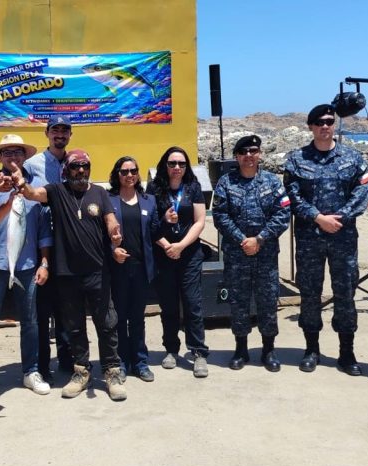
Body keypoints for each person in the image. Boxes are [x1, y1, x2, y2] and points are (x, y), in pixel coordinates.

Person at [13, 149, 127, 401]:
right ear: (67, 170)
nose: (80, 171)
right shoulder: (56, 191)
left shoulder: (99, 192)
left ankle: (111, 371)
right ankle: (81, 371)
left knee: (107, 323)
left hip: (98, 270)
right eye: (75, 166)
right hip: (66, 273)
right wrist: (21, 182)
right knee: (74, 327)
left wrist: (114, 233)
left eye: (85, 166)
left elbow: (109, 218)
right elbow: (33, 193)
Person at [283, 103, 368, 376]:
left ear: (335, 125)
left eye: (329, 121)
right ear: (310, 126)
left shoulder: (352, 158)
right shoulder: (297, 160)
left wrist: (340, 217)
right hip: (310, 238)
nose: (325, 126)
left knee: (345, 294)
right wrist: (318, 217)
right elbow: (291, 196)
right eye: (319, 122)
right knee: (310, 295)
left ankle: (347, 352)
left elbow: (362, 191)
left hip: (343, 238)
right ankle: (311, 349)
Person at [0, 134, 53, 404]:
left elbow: (44, 229)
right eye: (7, 153)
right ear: (0, 158)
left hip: (29, 265)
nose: (13, 157)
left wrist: (44, 262)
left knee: (30, 322)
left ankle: (30, 371)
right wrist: (7, 200)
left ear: (24, 156)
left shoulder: (37, 186)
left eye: (17, 152)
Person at [212, 135, 290, 372]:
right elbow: (220, 215)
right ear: (236, 156)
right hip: (237, 255)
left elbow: (283, 214)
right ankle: (241, 349)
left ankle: (268, 350)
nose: (248, 155)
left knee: (267, 301)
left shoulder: (272, 182)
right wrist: (242, 240)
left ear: (260, 154)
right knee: (239, 302)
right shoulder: (226, 182)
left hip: (265, 254)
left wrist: (260, 239)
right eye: (243, 151)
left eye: (253, 151)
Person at [148, 146, 211, 378]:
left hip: (189, 255)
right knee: (169, 305)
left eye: (181, 164)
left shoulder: (193, 188)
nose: (177, 168)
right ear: (165, 164)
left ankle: (198, 352)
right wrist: (167, 245)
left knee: (193, 303)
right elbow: (151, 222)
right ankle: (171, 350)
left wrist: (181, 246)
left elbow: (200, 221)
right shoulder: (155, 188)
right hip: (163, 255)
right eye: (173, 163)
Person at [23, 116, 75, 379]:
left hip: (67, 244)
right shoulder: (31, 165)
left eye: (64, 130)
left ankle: (67, 360)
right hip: (41, 245)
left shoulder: (74, 162)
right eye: (55, 130)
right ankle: (42, 365)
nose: (60, 134)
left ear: (70, 135)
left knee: (66, 307)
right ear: (47, 133)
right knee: (42, 311)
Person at [109, 156, 159, 381]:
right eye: (124, 171)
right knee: (119, 317)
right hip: (117, 268)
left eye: (133, 171)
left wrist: (167, 220)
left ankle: (140, 361)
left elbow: (155, 231)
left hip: (140, 268)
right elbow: (99, 234)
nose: (129, 175)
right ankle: (120, 361)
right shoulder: (108, 200)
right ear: (117, 174)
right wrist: (112, 250)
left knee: (137, 317)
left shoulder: (149, 200)